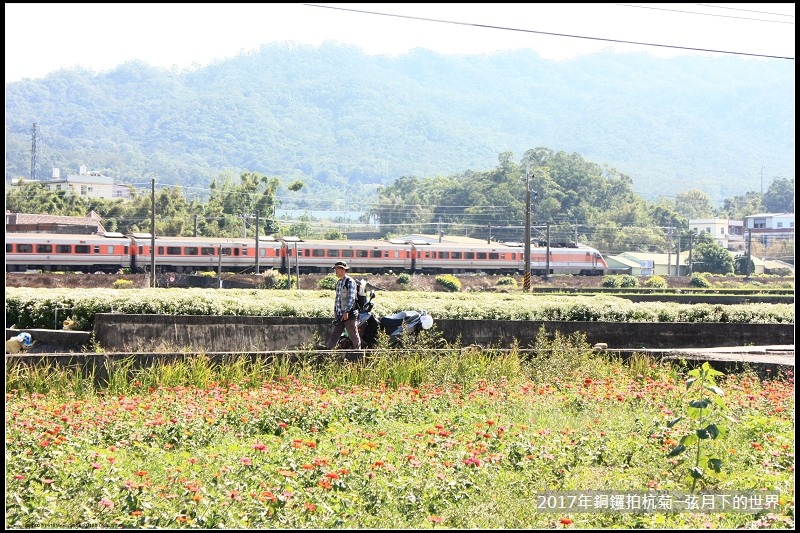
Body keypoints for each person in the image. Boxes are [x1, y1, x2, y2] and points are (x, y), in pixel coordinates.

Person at [325, 261, 362, 350]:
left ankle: (358, 353)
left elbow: (351, 298)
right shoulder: (339, 282)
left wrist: (347, 311)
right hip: (339, 314)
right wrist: (336, 312)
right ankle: (328, 353)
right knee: (334, 334)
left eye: (337, 269)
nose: (336, 271)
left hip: (349, 314)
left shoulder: (350, 281)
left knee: (353, 335)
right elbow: (338, 299)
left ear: (343, 270)